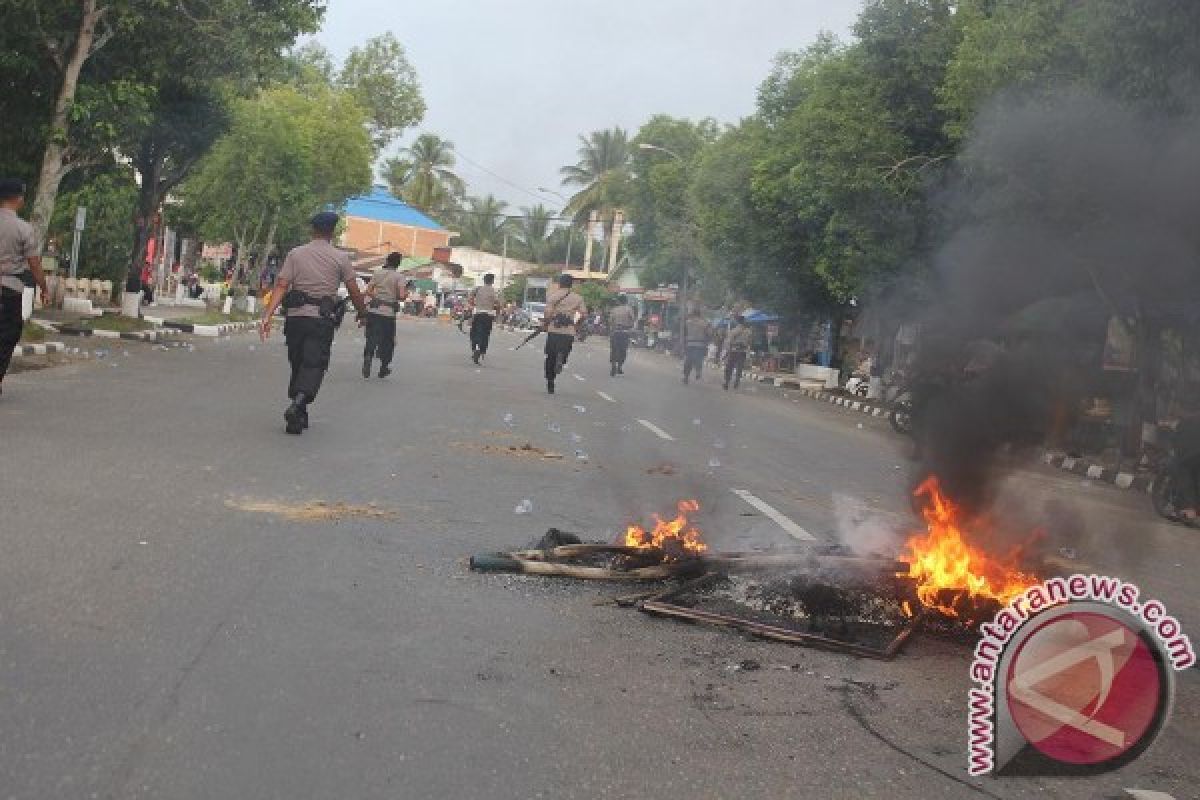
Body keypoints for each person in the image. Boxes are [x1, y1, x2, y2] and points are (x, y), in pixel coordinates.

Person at [260, 211, 367, 435]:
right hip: (320, 320)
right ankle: (298, 403)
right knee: (314, 364)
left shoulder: (295, 254)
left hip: (295, 318)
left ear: (313, 229)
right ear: (332, 231)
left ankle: (299, 413)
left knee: (298, 363)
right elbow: (354, 291)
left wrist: (268, 315)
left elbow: (281, 284)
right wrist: (362, 312)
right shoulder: (340, 258)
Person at [0, 179, 49, 397]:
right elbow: (35, 263)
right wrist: (43, 287)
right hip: (9, 288)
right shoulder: (23, 228)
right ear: (18, 199)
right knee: (8, 334)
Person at [362, 251, 407, 379]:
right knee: (387, 341)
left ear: (387, 261)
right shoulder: (399, 277)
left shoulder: (377, 273)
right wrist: (402, 295)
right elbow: (402, 296)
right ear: (398, 264)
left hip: (374, 311)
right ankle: (383, 368)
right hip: (388, 313)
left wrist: (377, 297)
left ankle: (368, 356)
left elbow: (368, 291)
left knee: (371, 337)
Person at [542, 273, 586, 394]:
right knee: (565, 351)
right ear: (571, 284)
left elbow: (548, 313)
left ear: (560, 283)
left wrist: (545, 324)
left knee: (550, 356)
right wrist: (576, 325)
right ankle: (561, 357)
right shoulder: (578, 298)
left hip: (554, 330)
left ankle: (550, 381)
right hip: (568, 331)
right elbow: (584, 314)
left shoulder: (552, 296)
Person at [468, 273, 499, 364]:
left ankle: (475, 349)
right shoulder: (495, 291)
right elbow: (498, 304)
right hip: (488, 316)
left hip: (478, 313)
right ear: (492, 281)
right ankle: (482, 351)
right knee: (486, 334)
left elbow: (470, 298)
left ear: (484, 280)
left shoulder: (477, 289)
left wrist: (475, 305)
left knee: (474, 332)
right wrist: (496, 314)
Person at [682, 307, 712, 385]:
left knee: (688, 360)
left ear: (693, 314)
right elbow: (709, 333)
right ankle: (698, 371)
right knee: (698, 359)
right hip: (700, 344)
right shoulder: (704, 323)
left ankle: (686, 376)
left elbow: (684, 333)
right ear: (700, 314)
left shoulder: (688, 322)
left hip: (689, 344)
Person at [607, 294, 635, 377]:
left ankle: (613, 366)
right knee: (623, 350)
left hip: (615, 332)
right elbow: (633, 320)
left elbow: (610, 321)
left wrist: (612, 328)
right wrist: (630, 325)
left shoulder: (614, 310)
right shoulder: (629, 309)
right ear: (626, 301)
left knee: (614, 349)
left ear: (618, 301)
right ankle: (619, 367)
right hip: (625, 332)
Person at [723, 315, 752, 390]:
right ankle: (737, 381)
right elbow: (749, 343)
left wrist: (727, 351)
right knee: (739, 368)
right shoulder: (748, 331)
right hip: (742, 352)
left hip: (734, 351)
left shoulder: (734, 330)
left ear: (737, 322)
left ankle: (726, 382)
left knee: (729, 367)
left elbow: (729, 342)